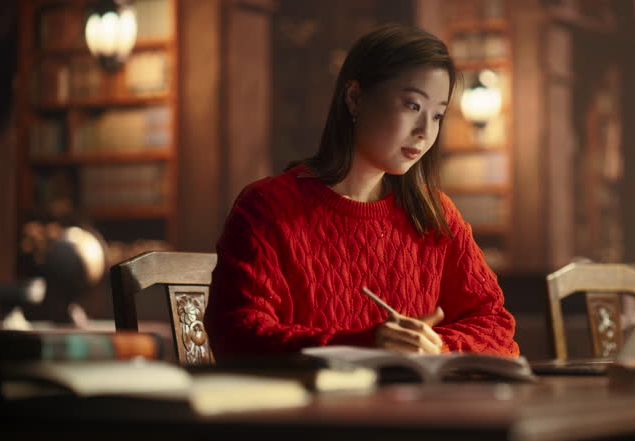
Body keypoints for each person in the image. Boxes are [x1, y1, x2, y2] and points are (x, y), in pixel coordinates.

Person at [204, 24, 519, 359]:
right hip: (307, 408)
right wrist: (365, 346)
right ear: (355, 98)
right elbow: (236, 333)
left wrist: (435, 346)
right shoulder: (267, 207)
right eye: (412, 106)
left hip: (416, 408)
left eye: (437, 115)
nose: (425, 131)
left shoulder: (434, 214)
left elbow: (496, 324)